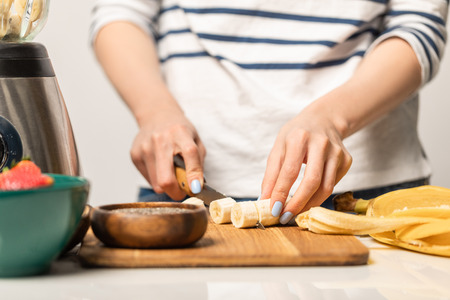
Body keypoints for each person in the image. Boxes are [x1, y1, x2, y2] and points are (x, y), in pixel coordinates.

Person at [90, 1, 448, 224]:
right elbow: (120, 12)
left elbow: (419, 24)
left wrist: (333, 118)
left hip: (363, 196)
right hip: (186, 191)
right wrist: (155, 113)